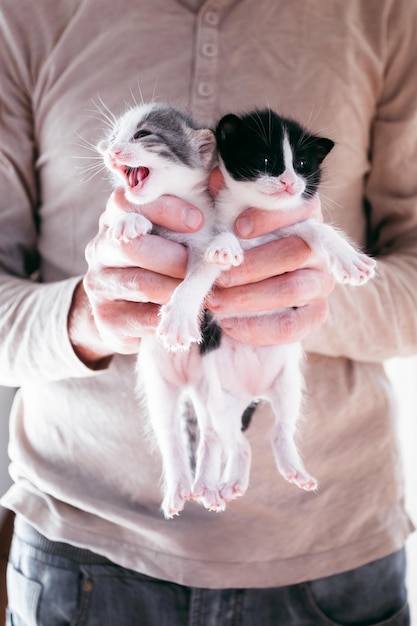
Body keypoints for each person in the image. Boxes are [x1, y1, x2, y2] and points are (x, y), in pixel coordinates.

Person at [0, 0, 416, 623]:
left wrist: (305, 289)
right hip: (83, 549)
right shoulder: (20, 16)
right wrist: (89, 314)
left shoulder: (387, 14)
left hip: (334, 555)